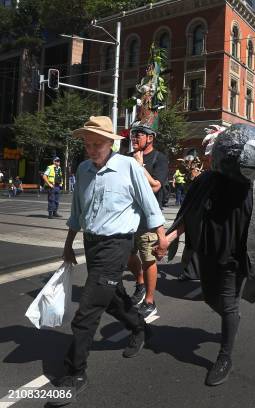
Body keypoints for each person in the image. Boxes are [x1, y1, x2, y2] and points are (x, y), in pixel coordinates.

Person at [49, 116, 168, 406]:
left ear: (110, 143)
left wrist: (162, 238)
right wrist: (68, 245)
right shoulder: (83, 169)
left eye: (97, 144)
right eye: (87, 144)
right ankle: (140, 327)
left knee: (87, 311)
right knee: (113, 299)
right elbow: (78, 211)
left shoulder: (128, 167)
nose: (91, 149)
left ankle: (75, 373)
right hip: (92, 244)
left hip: (117, 245)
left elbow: (150, 205)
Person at [164, 124, 255, 387]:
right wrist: (168, 238)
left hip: (236, 256)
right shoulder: (206, 181)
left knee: (227, 303)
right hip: (208, 253)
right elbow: (188, 214)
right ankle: (231, 315)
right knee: (212, 299)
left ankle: (225, 356)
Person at [127, 125, 169, 320]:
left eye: (139, 134)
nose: (134, 137)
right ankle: (140, 283)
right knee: (127, 254)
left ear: (150, 138)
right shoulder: (128, 156)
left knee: (148, 258)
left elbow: (155, 187)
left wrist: (140, 165)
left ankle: (150, 302)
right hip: (128, 216)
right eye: (133, 134)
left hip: (149, 219)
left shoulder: (159, 159)